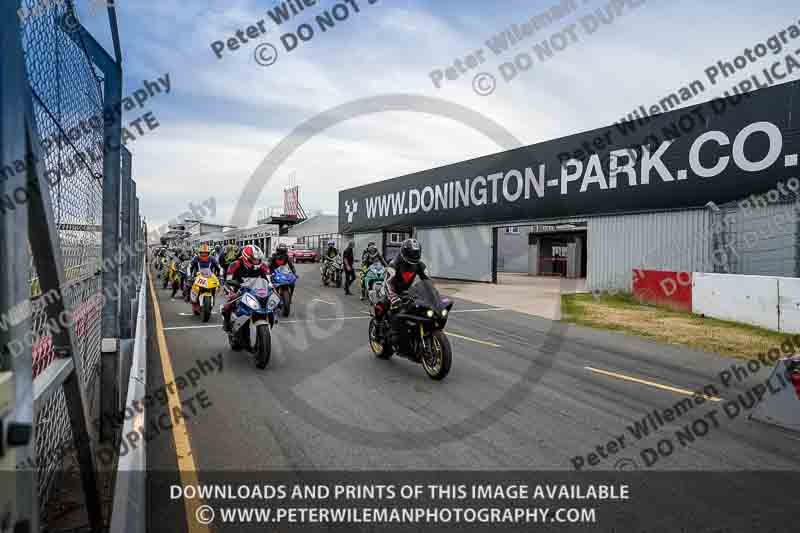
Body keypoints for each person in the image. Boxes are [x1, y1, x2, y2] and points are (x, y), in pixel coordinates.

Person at [384, 238, 429, 352]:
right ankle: (393, 336)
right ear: (404, 252)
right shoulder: (393, 264)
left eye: (416, 253)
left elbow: (428, 281)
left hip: (405, 293)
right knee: (395, 310)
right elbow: (387, 283)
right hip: (391, 291)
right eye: (411, 253)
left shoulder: (420, 265)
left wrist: (433, 294)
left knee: (416, 310)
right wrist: (394, 298)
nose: (414, 255)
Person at [221, 244, 270, 332]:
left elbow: (268, 281)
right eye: (254, 259)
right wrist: (231, 291)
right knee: (227, 307)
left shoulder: (263, 266)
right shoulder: (235, 265)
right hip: (239, 291)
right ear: (246, 257)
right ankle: (227, 325)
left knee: (272, 303)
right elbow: (228, 280)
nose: (257, 261)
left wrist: (272, 289)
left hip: (257, 291)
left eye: (258, 259)